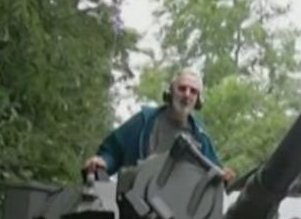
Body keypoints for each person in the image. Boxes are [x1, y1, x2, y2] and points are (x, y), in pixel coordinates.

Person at [83, 68, 235, 183]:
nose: (187, 95)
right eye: (182, 88)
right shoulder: (144, 121)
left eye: (193, 91)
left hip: (180, 214)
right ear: (171, 91)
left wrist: (224, 177)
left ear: (198, 100)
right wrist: (103, 162)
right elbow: (112, 151)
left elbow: (214, 174)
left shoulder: (201, 137)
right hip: (136, 204)